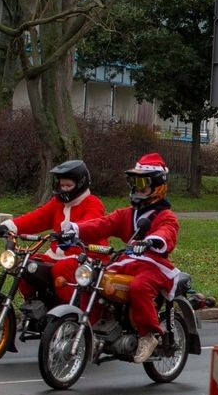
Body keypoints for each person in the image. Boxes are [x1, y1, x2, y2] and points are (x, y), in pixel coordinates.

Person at [64, 154, 180, 363]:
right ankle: (90, 329)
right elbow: (102, 224)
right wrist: (75, 229)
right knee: (94, 280)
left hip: (154, 267)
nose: (137, 188)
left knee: (139, 288)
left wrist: (153, 240)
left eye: (143, 183)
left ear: (158, 186)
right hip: (127, 262)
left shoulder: (166, 216)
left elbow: (167, 233)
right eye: (134, 182)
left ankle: (149, 335)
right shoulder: (127, 214)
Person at [0, 160, 106, 306]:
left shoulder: (93, 203)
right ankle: (32, 306)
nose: (64, 189)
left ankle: (69, 311)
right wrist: (11, 226)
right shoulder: (57, 203)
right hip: (56, 256)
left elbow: (91, 223)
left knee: (62, 269)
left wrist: (73, 231)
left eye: (68, 186)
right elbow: (37, 218)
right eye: (62, 185)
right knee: (26, 266)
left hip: (86, 256)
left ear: (80, 184)